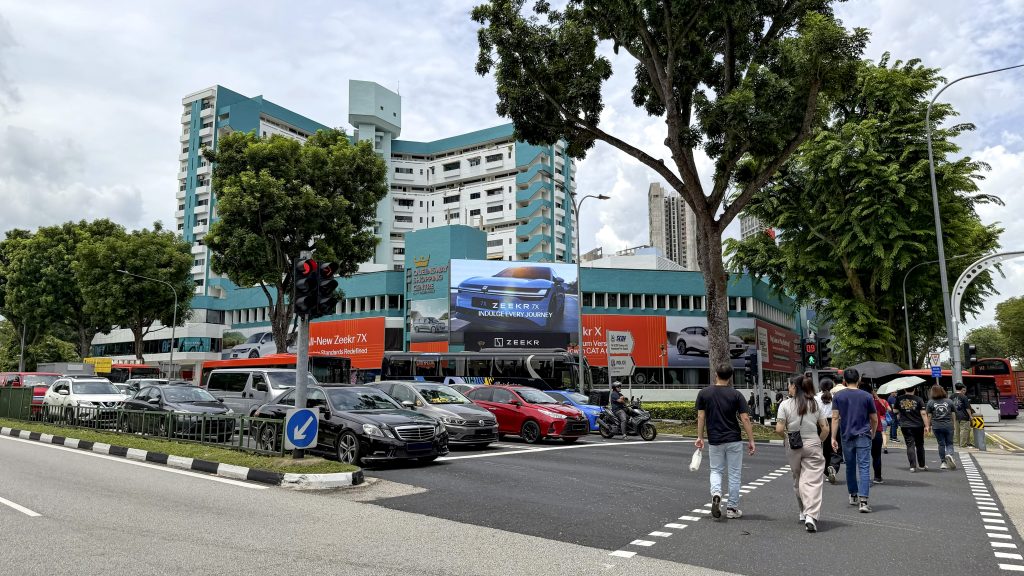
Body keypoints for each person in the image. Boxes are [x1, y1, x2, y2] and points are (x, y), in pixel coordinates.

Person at [695, 363, 756, 520]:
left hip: (715, 439)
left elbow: (701, 416)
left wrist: (700, 437)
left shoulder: (704, 393)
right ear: (731, 377)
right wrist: (751, 440)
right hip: (734, 439)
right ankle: (732, 508)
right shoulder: (736, 394)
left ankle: (716, 493)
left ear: (716, 374)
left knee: (716, 470)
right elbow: (745, 418)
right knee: (734, 474)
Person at [776, 375, 829, 533]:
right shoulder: (814, 403)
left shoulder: (785, 405)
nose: (788, 388)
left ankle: (802, 511)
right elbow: (825, 428)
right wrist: (818, 441)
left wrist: (787, 438)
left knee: (798, 478)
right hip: (813, 443)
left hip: (794, 444)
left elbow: (779, 429)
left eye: (790, 385)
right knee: (812, 481)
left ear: (794, 387)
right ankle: (810, 515)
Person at [831, 368, 877, 513]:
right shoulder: (867, 396)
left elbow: (835, 418)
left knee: (850, 466)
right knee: (864, 467)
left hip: (846, 435)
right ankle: (863, 502)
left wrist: (833, 437)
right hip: (863, 434)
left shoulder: (838, 396)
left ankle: (853, 495)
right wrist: (873, 431)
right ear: (858, 381)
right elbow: (874, 418)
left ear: (844, 380)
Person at [894, 386, 928, 472]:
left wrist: (901, 412)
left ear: (905, 389)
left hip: (905, 425)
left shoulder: (899, 398)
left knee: (910, 445)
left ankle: (912, 466)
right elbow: (923, 413)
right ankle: (922, 465)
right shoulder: (919, 399)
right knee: (920, 445)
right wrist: (927, 425)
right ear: (915, 389)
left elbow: (895, 411)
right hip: (918, 425)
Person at [926, 384, 957, 470]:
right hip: (948, 425)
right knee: (949, 443)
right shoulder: (949, 401)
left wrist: (927, 426)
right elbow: (953, 413)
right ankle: (949, 455)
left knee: (941, 444)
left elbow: (929, 415)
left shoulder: (930, 402)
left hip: (937, 426)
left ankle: (943, 462)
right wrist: (954, 424)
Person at [816, 378, 838, 485]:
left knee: (823, 448)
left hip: (820, 424)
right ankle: (833, 466)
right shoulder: (835, 398)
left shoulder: (815, 398)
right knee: (834, 447)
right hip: (832, 422)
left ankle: (826, 470)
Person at [870, 387, 890, 484]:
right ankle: (877, 477)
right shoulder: (876, 402)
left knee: (862, 457)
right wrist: (876, 397)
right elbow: (883, 410)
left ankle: (863, 477)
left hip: (861, 431)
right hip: (876, 430)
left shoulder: (857, 402)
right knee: (876, 455)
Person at [952, 383, 975, 448]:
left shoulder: (952, 396)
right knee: (964, 430)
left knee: (957, 431)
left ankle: (959, 443)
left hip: (955, 416)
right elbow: (967, 408)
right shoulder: (964, 396)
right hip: (964, 416)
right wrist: (970, 416)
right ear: (962, 388)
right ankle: (963, 445)